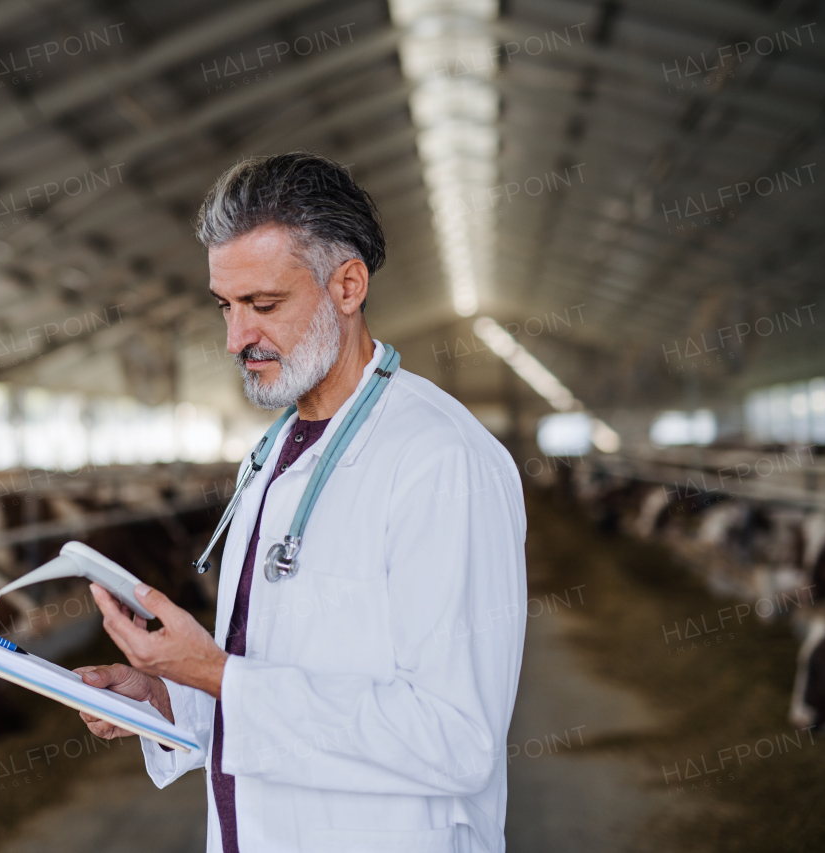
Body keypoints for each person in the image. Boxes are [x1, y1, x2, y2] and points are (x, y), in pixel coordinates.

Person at [74, 152, 526, 853]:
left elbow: (456, 739)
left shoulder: (442, 461)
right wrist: (169, 695)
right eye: (226, 306)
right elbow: (286, 668)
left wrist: (215, 674)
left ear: (348, 285)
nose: (235, 339)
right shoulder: (275, 449)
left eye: (263, 305)